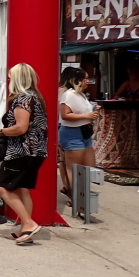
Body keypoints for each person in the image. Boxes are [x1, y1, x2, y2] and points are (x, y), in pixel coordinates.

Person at [0, 63, 49, 245]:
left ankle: (28, 224)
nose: (9, 79)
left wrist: (1, 132)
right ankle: (24, 230)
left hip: (22, 151)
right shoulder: (36, 97)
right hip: (36, 151)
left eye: (11, 76)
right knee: (22, 189)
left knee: (1, 187)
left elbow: (21, 127)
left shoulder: (22, 99)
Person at [58, 66, 98, 200]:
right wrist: (87, 116)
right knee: (73, 168)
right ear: (77, 80)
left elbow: (81, 111)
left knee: (89, 166)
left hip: (85, 132)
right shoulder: (68, 94)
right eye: (85, 78)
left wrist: (92, 110)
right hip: (72, 133)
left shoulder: (80, 94)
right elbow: (65, 115)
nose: (88, 81)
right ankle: (73, 196)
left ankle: (78, 193)